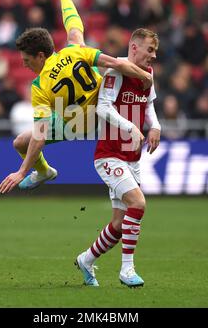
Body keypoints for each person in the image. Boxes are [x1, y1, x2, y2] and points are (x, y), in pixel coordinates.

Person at [0, 0, 152, 194]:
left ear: (40, 56)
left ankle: (42, 171)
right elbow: (117, 63)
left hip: (78, 124)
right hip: (103, 112)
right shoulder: (74, 51)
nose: (24, 64)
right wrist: (143, 75)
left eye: (27, 60)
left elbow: (39, 136)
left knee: (21, 142)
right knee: (75, 34)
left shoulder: (40, 85)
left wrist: (20, 172)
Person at [75, 28, 161, 287]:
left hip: (132, 158)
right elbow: (103, 106)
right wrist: (131, 127)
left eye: (155, 51)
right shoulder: (116, 71)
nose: (153, 55)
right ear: (134, 47)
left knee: (120, 223)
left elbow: (148, 104)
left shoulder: (148, 74)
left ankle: (86, 260)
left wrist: (154, 126)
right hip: (109, 155)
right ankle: (127, 270)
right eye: (150, 49)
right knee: (138, 204)